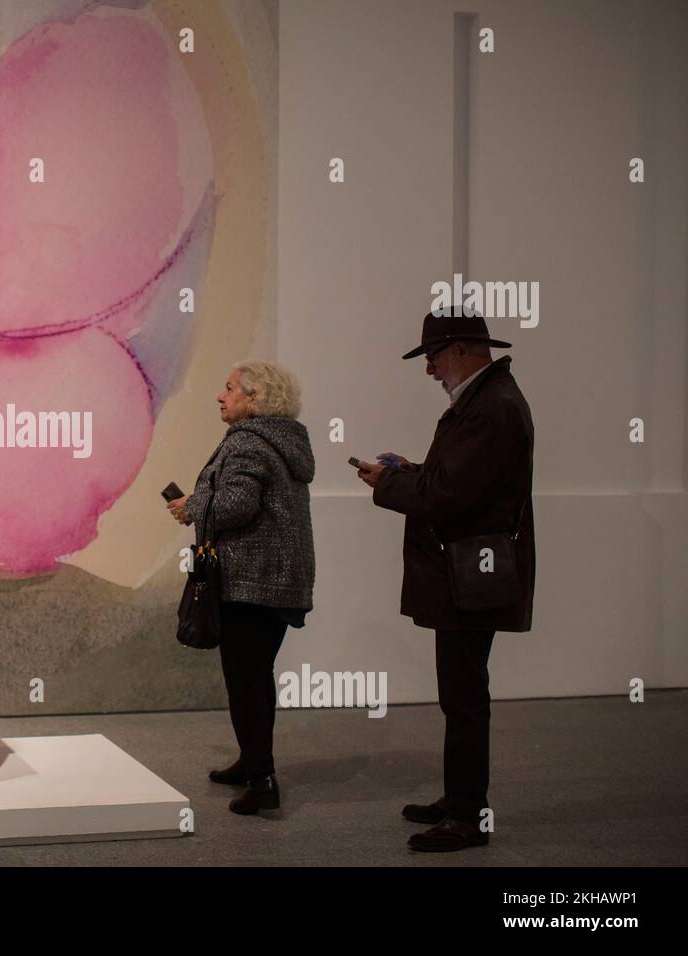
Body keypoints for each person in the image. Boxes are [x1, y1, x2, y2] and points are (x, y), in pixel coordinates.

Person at [356, 309, 535, 852]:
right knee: (460, 693)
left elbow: (448, 499)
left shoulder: (489, 409)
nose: (429, 370)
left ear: (458, 350)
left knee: (462, 696)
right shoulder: (487, 402)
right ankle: (460, 799)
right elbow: (453, 484)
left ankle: (466, 814)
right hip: (467, 570)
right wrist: (408, 473)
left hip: (470, 574)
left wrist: (391, 483)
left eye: (431, 358)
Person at [167, 360, 315, 815]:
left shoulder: (249, 443)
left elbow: (236, 505)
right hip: (281, 579)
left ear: (254, 399)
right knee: (256, 675)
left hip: (251, 580)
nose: (219, 395)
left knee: (245, 680)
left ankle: (262, 781)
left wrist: (193, 505)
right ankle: (252, 761)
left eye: (229, 388)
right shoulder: (285, 442)